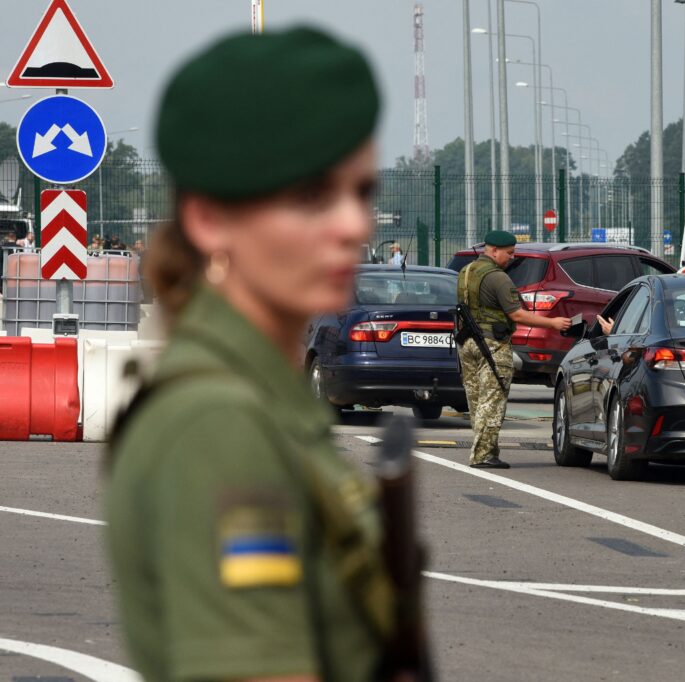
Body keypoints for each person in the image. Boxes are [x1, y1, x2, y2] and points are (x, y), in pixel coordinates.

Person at [105, 28, 401, 681]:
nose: (355, 225)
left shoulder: (261, 396)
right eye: (310, 196)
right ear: (210, 219)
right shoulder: (220, 423)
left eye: (362, 193)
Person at [457, 230, 571, 468]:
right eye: (509, 253)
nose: (512, 257)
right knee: (493, 399)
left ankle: (487, 450)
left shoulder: (466, 272)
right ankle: (483, 456)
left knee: (477, 401)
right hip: (491, 345)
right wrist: (553, 323)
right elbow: (516, 314)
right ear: (494, 251)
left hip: (467, 343)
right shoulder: (498, 277)